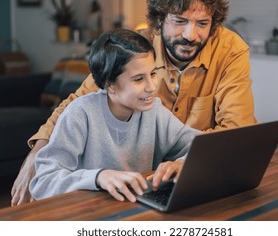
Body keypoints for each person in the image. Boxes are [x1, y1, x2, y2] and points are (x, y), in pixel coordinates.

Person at [11, 0, 257, 205]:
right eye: (180, 21)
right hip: (103, 197)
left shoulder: (228, 51)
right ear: (159, 21)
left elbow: (235, 133)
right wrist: (39, 153)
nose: (190, 35)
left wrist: (188, 162)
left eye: (202, 23)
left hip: (169, 185)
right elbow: (79, 103)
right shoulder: (135, 51)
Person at [29, 29, 198, 202]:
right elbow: (43, 182)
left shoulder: (154, 111)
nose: (152, 86)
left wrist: (183, 163)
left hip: (135, 210)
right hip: (88, 214)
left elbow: (203, 146)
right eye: (139, 79)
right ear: (110, 85)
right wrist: (98, 177)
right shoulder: (80, 113)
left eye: (153, 74)